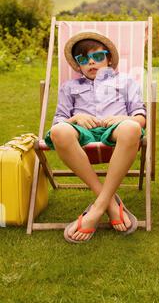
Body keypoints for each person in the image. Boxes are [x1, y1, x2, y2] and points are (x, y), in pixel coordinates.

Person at [44, 31, 146, 243]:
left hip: (115, 129)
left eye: (98, 57)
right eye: (84, 59)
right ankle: (108, 203)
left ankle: (98, 207)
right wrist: (76, 118)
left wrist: (122, 118)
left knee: (131, 128)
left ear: (109, 59)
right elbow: (59, 121)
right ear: (78, 65)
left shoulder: (127, 82)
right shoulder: (69, 88)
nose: (91, 62)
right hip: (83, 131)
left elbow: (140, 117)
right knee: (59, 132)